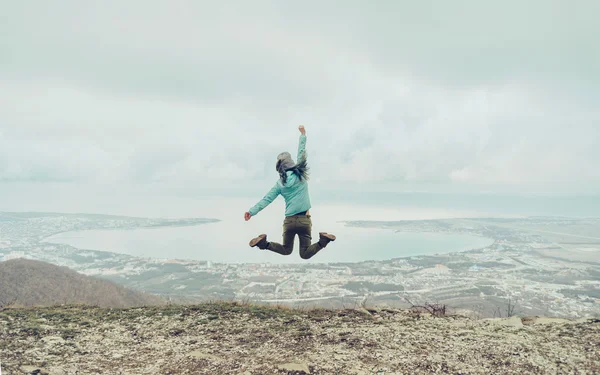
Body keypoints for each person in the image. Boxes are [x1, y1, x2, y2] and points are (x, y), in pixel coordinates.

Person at [244, 126, 336, 259]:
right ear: (291, 163)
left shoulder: (279, 184)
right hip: (304, 220)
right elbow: (301, 153)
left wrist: (251, 212)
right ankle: (323, 241)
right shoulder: (301, 174)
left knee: (286, 250)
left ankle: (264, 244)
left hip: (290, 222)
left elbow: (266, 199)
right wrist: (303, 135)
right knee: (304, 253)